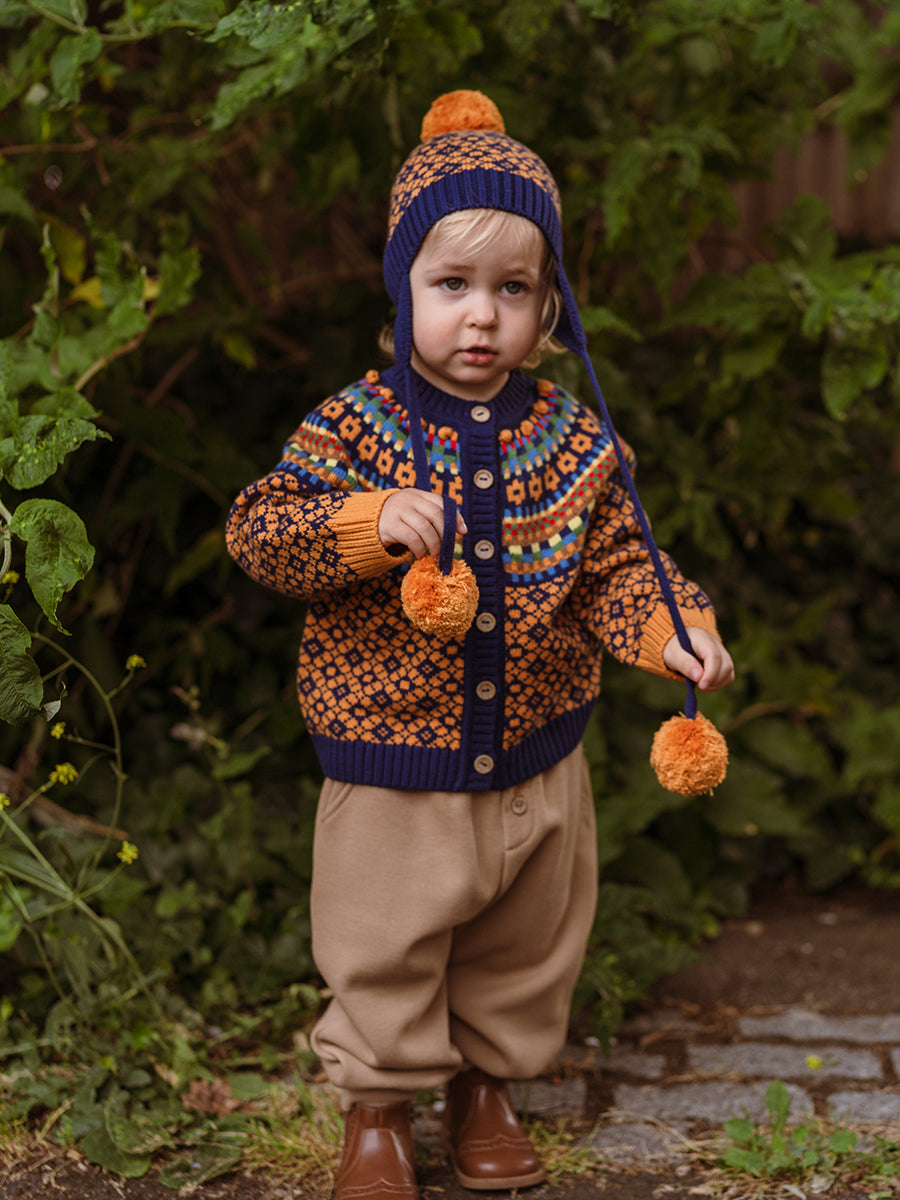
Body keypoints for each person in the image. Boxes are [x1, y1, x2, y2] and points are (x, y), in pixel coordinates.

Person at [226, 90, 734, 1200]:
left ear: (549, 306)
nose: (481, 318)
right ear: (401, 287)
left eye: (513, 290)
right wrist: (368, 524)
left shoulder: (574, 439)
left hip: (538, 756)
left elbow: (618, 564)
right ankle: (378, 1110)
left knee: (525, 942)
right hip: (393, 758)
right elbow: (262, 532)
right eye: (451, 285)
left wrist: (673, 629)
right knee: (384, 939)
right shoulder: (353, 426)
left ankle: (488, 1090)